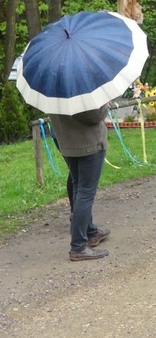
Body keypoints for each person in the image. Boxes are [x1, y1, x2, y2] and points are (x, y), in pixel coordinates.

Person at [48, 105, 111, 261]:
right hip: (88, 144)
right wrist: (104, 105)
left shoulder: (51, 88)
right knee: (85, 192)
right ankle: (78, 246)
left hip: (67, 143)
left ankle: (89, 233)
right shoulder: (80, 88)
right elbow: (94, 115)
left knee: (78, 187)